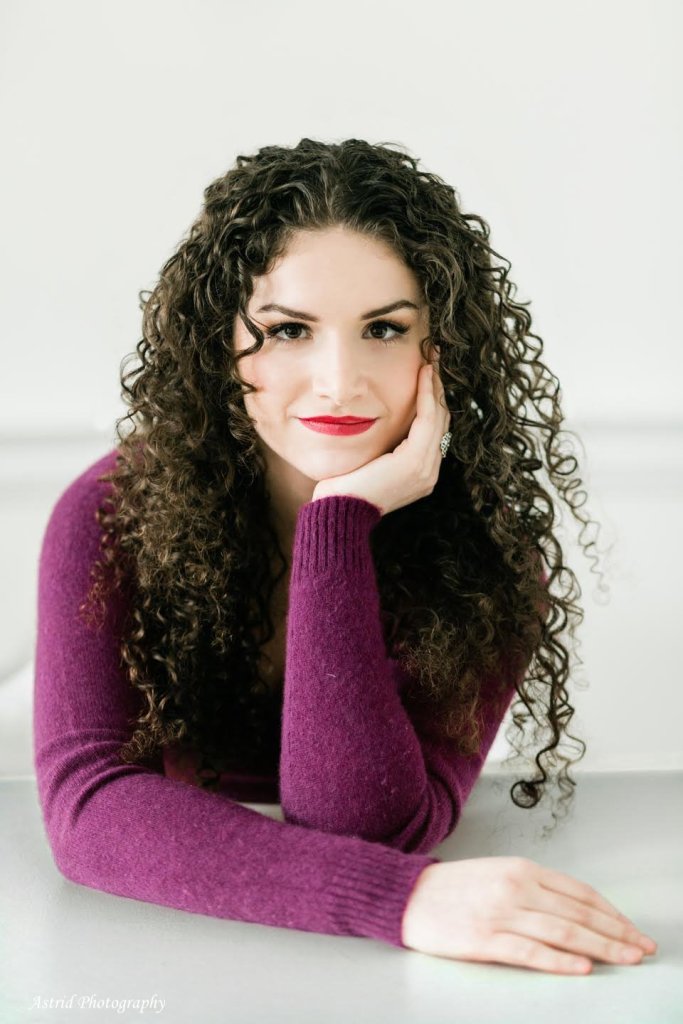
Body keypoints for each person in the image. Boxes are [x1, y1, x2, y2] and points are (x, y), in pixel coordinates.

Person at [33, 138, 656, 974]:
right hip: (154, 962)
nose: (338, 381)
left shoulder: (488, 555)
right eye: (289, 330)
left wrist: (341, 522)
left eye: (384, 329)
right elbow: (90, 812)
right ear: (222, 345)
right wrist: (400, 898)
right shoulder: (111, 515)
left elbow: (360, 825)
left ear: (442, 349)